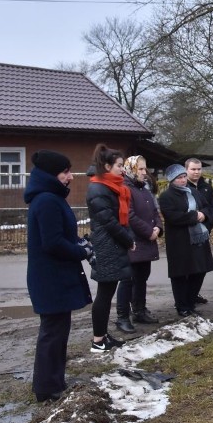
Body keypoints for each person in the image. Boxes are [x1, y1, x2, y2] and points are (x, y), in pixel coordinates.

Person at [25, 150, 93, 402]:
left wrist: (79, 244)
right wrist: (80, 252)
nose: (71, 176)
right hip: (50, 279)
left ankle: (54, 381)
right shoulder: (46, 201)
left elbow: (61, 235)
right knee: (52, 333)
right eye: (65, 172)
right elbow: (52, 243)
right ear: (51, 175)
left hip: (54, 277)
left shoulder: (51, 199)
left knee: (57, 331)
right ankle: (46, 388)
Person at [86, 144, 135, 352]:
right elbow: (109, 222)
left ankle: (103, 335)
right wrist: (128, 240)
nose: (122, 170)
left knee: (107, 293)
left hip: (113, 246)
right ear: (106, 166)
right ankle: (98, 341)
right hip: (107, 247)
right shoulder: (98, 188)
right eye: (119, 166)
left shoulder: (112, 187)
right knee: (104, 295)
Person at [159, 164, 213, 316]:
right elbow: (173, 216)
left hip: (198, 240)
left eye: (184, 176)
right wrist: (194, 216)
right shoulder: (166, 197)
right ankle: (182, 305)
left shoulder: (194, 192)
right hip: (179, 241)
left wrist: (203, 214)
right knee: (180, 274)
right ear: (172, 180)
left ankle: (190, 302)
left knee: (199, 271)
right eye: (179, 178)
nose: (183, 180)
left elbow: (208, 207)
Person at [114, 155, 163, 333]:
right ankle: (122, 316)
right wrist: (148, 231)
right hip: (133, 241)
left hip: (147, 240)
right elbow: (130, 215)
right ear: (132, 169)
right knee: (128, 279)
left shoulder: (144, 188)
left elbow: (154, 212)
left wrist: (157, 227)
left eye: (145, 169)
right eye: (141, 169)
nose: (145, 173)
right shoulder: (126, 188)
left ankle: (140, 310)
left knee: (142, 277)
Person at [185, 158, 213, 305]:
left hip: (203, 233)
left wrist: (206, 221)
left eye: (198, 169)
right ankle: (185, 297)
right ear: (186, 170)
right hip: (187, 235)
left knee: (202, 267)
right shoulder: (182, 187)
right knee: (189, 268)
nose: (196, 172)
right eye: (193, 169)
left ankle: (193, 293)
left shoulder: (207, 188)